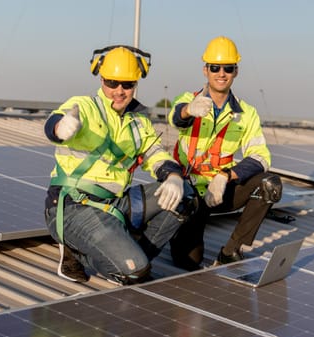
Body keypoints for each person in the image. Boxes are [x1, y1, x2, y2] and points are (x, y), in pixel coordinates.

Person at [44, 45, 196, 285]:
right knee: (133, 272)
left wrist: (174, 176)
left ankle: (130, 255)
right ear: (101, 78)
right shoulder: (84, 107)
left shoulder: (139, 120)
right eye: (112, 82)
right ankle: (78, 253)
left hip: (116, 203)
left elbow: (155, 154)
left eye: (127, 84)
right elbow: (56, 122)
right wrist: (59, 127)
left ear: (135, 84)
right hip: (75, 205)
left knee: (185, 195)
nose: (119, 91)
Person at [167, 36, 283, 271]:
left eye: (228, 68)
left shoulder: (246, 113)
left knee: (269, 184)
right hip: (191, 194)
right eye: (215, 68)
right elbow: (175, 118)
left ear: (235, 71)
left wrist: (226, 176)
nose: (221, 73)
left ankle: (231, 250)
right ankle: (181, 230)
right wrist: (189, 110)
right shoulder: (189, 100)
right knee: (187, 262)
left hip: (221, 191)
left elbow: (261, 156)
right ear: (205, 70)